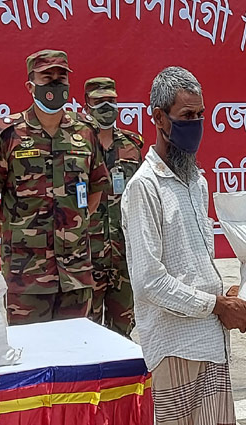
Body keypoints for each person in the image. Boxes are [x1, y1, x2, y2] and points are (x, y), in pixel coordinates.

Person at [121, 66, 246, 425]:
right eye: (186, 116)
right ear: (159, 118)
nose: (196, 124)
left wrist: (226, 293)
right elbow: (149, 281)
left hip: (212, 343)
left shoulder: (198, 182)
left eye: (200, 114)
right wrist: (216, 305)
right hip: (174, 346)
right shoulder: (144, 187)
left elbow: (196, 264)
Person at [0, 49, 110, 324]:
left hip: (76, 271)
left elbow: (97, 185)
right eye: (47, 77)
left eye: (61, 78)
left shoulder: (85, 131)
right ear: (30, 85)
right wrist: (13, 233)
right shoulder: (8, 133)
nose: (55, 84)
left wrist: (79, 222)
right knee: (32, 354)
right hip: (26, 276)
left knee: (77, 354)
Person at [83, 77, 144, 337]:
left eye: (111, 100)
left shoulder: (132, 146)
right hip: (88, 256)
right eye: (99, 101)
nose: (106, 107)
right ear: (87, 105)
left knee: (123, 332)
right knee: (88, 331)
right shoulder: (77, 146)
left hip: (124, 256)